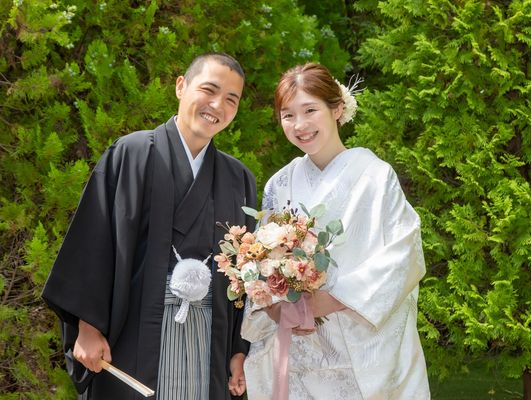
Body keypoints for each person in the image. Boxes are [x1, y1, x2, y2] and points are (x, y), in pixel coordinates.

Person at [42, 53, 256, 400]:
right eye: (209, 90)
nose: (218, 105)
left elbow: (245, 276)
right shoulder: (131, 153)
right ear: (181, 86)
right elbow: (94, 241)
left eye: (231, 99)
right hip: (134, 335)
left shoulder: (238, 178)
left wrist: (239, 349)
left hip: (209, 340)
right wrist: (87, 326)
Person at [240, 63, 430, 399]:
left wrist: (322, 303)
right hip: (298, 348)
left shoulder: (374, 176)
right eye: (288, 115)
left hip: (359, 347)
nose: (300, 125)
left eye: (310, 110)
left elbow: (403, 255)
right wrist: (273, 305)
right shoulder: (279, 184)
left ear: (337, 108)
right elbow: (259, 261)